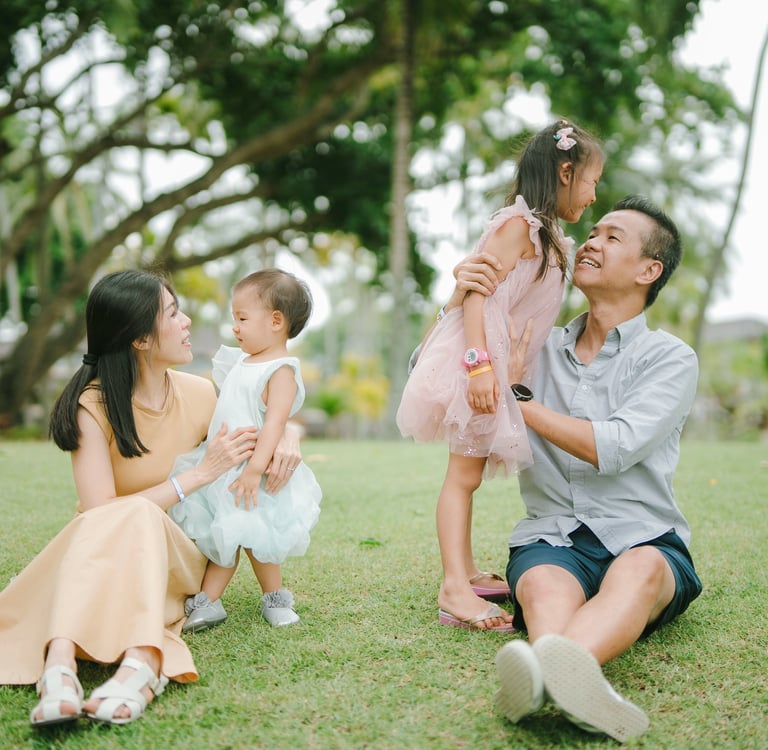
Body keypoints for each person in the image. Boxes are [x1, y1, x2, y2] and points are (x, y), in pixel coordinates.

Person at [446, 195, 701, 741]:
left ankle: (539, 677)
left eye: (613, 237)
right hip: (551, 537)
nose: (590, 241)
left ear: (648, 270)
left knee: (641, 571)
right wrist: (463, 294)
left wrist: (522, 401)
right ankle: (560, 680)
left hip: (642, 537)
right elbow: (441, 369)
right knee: (540, 586)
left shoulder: (669, 358)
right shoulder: (532, 345)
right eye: (593, 232)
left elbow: (616, 446)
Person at [0, 269, 300, 728]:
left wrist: (290, 437)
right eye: (173, 313)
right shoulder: (91, 406)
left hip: (174, 554)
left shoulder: (200, 393)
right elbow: (101, 511)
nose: (186, 322)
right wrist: (199, 475)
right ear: (140, 339)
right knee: (127, 515)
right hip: (102, 551)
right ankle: (58, 666)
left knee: (140, 516)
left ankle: (140, 663)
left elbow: (267, 414)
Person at [396, 121, 603, 631]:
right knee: (462, 477)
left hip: (496, 364)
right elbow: (477, 297)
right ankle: (453, 589)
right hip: (474, 363)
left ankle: (465, 570)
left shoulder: (550, 236)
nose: (594, 195)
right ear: (565, 171)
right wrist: (480, 367)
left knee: (472, 475)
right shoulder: (516, 227)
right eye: (592, 182)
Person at [171, 269, 322, 631]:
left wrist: (254, 470)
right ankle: (209, 602)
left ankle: (273, 598)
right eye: (233, 319)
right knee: (225, 536)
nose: (235, 327)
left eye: (241, 318)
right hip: (223, 465)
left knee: (257, 538)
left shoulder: (280, 370)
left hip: (256, 470)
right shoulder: (240, 360)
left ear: (275, 321)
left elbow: (275, 423)